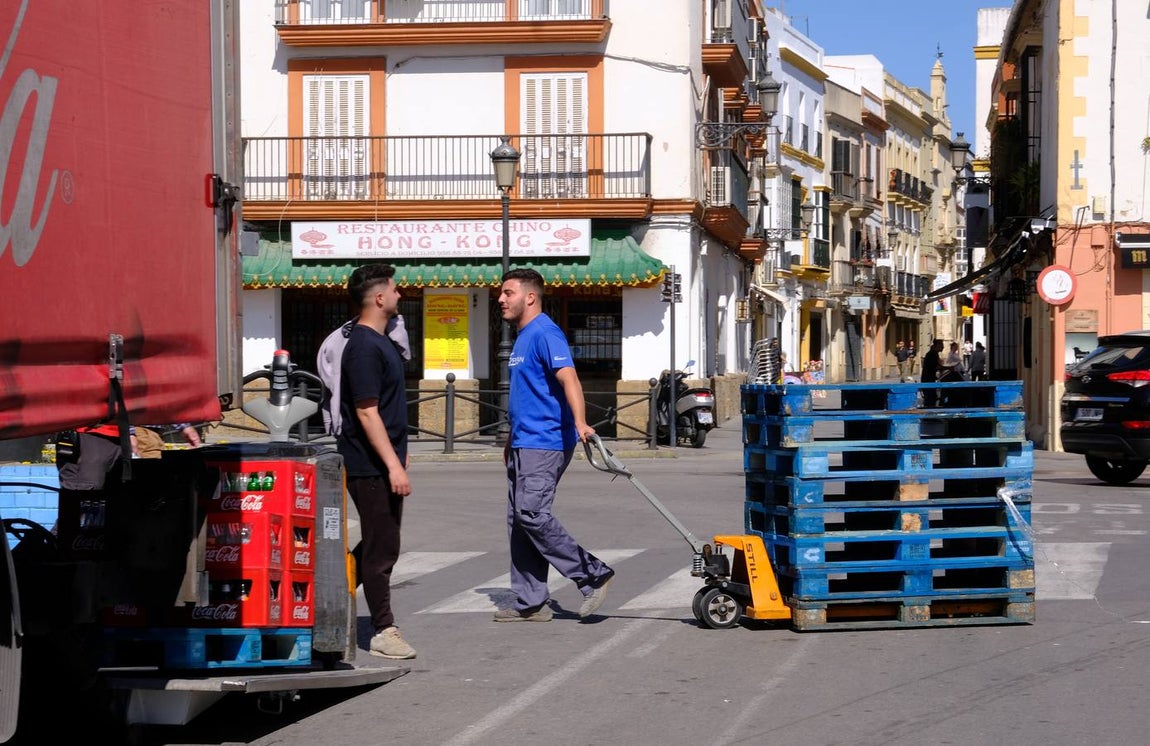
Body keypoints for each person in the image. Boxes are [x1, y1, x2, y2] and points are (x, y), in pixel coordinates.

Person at [494, 268, 615, 622]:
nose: (501, 299)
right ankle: (530, 602)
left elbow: (569, 378)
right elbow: (528, 394)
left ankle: (592, 574)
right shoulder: (522, 336)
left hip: (545, 442)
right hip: (523, 441)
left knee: (532, 513)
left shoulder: (546, 332)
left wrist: (579, 422)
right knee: (519, 521)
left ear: (529, 297)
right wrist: (511, 438)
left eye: (508, 293)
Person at [335, 263, 416, 660]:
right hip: (370, 467)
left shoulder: (379, 341)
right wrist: (393, 466)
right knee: (383, 549)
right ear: (380, 297)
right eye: (395, 290)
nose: (400, 295)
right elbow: (367, 412)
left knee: (378, 544)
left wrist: (401, 454)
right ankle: (383, 629)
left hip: (381, 462)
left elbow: (384, 408)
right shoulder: (364, 346)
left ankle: (328, 589)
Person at [57, 423, 201, 490]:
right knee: (84, 498)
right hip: (94, 433)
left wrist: (182, 425)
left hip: (120, 434)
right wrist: (130, 432)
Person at [921, 339, 944, 407]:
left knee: (932, 397)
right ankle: (929, 414)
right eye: (942, 345)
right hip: (928, 380)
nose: (943, 347)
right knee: (930, 398)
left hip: (928, 379)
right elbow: (935, 367)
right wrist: (947, 368)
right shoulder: (933, 354)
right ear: (937, 345)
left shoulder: (932, 353)